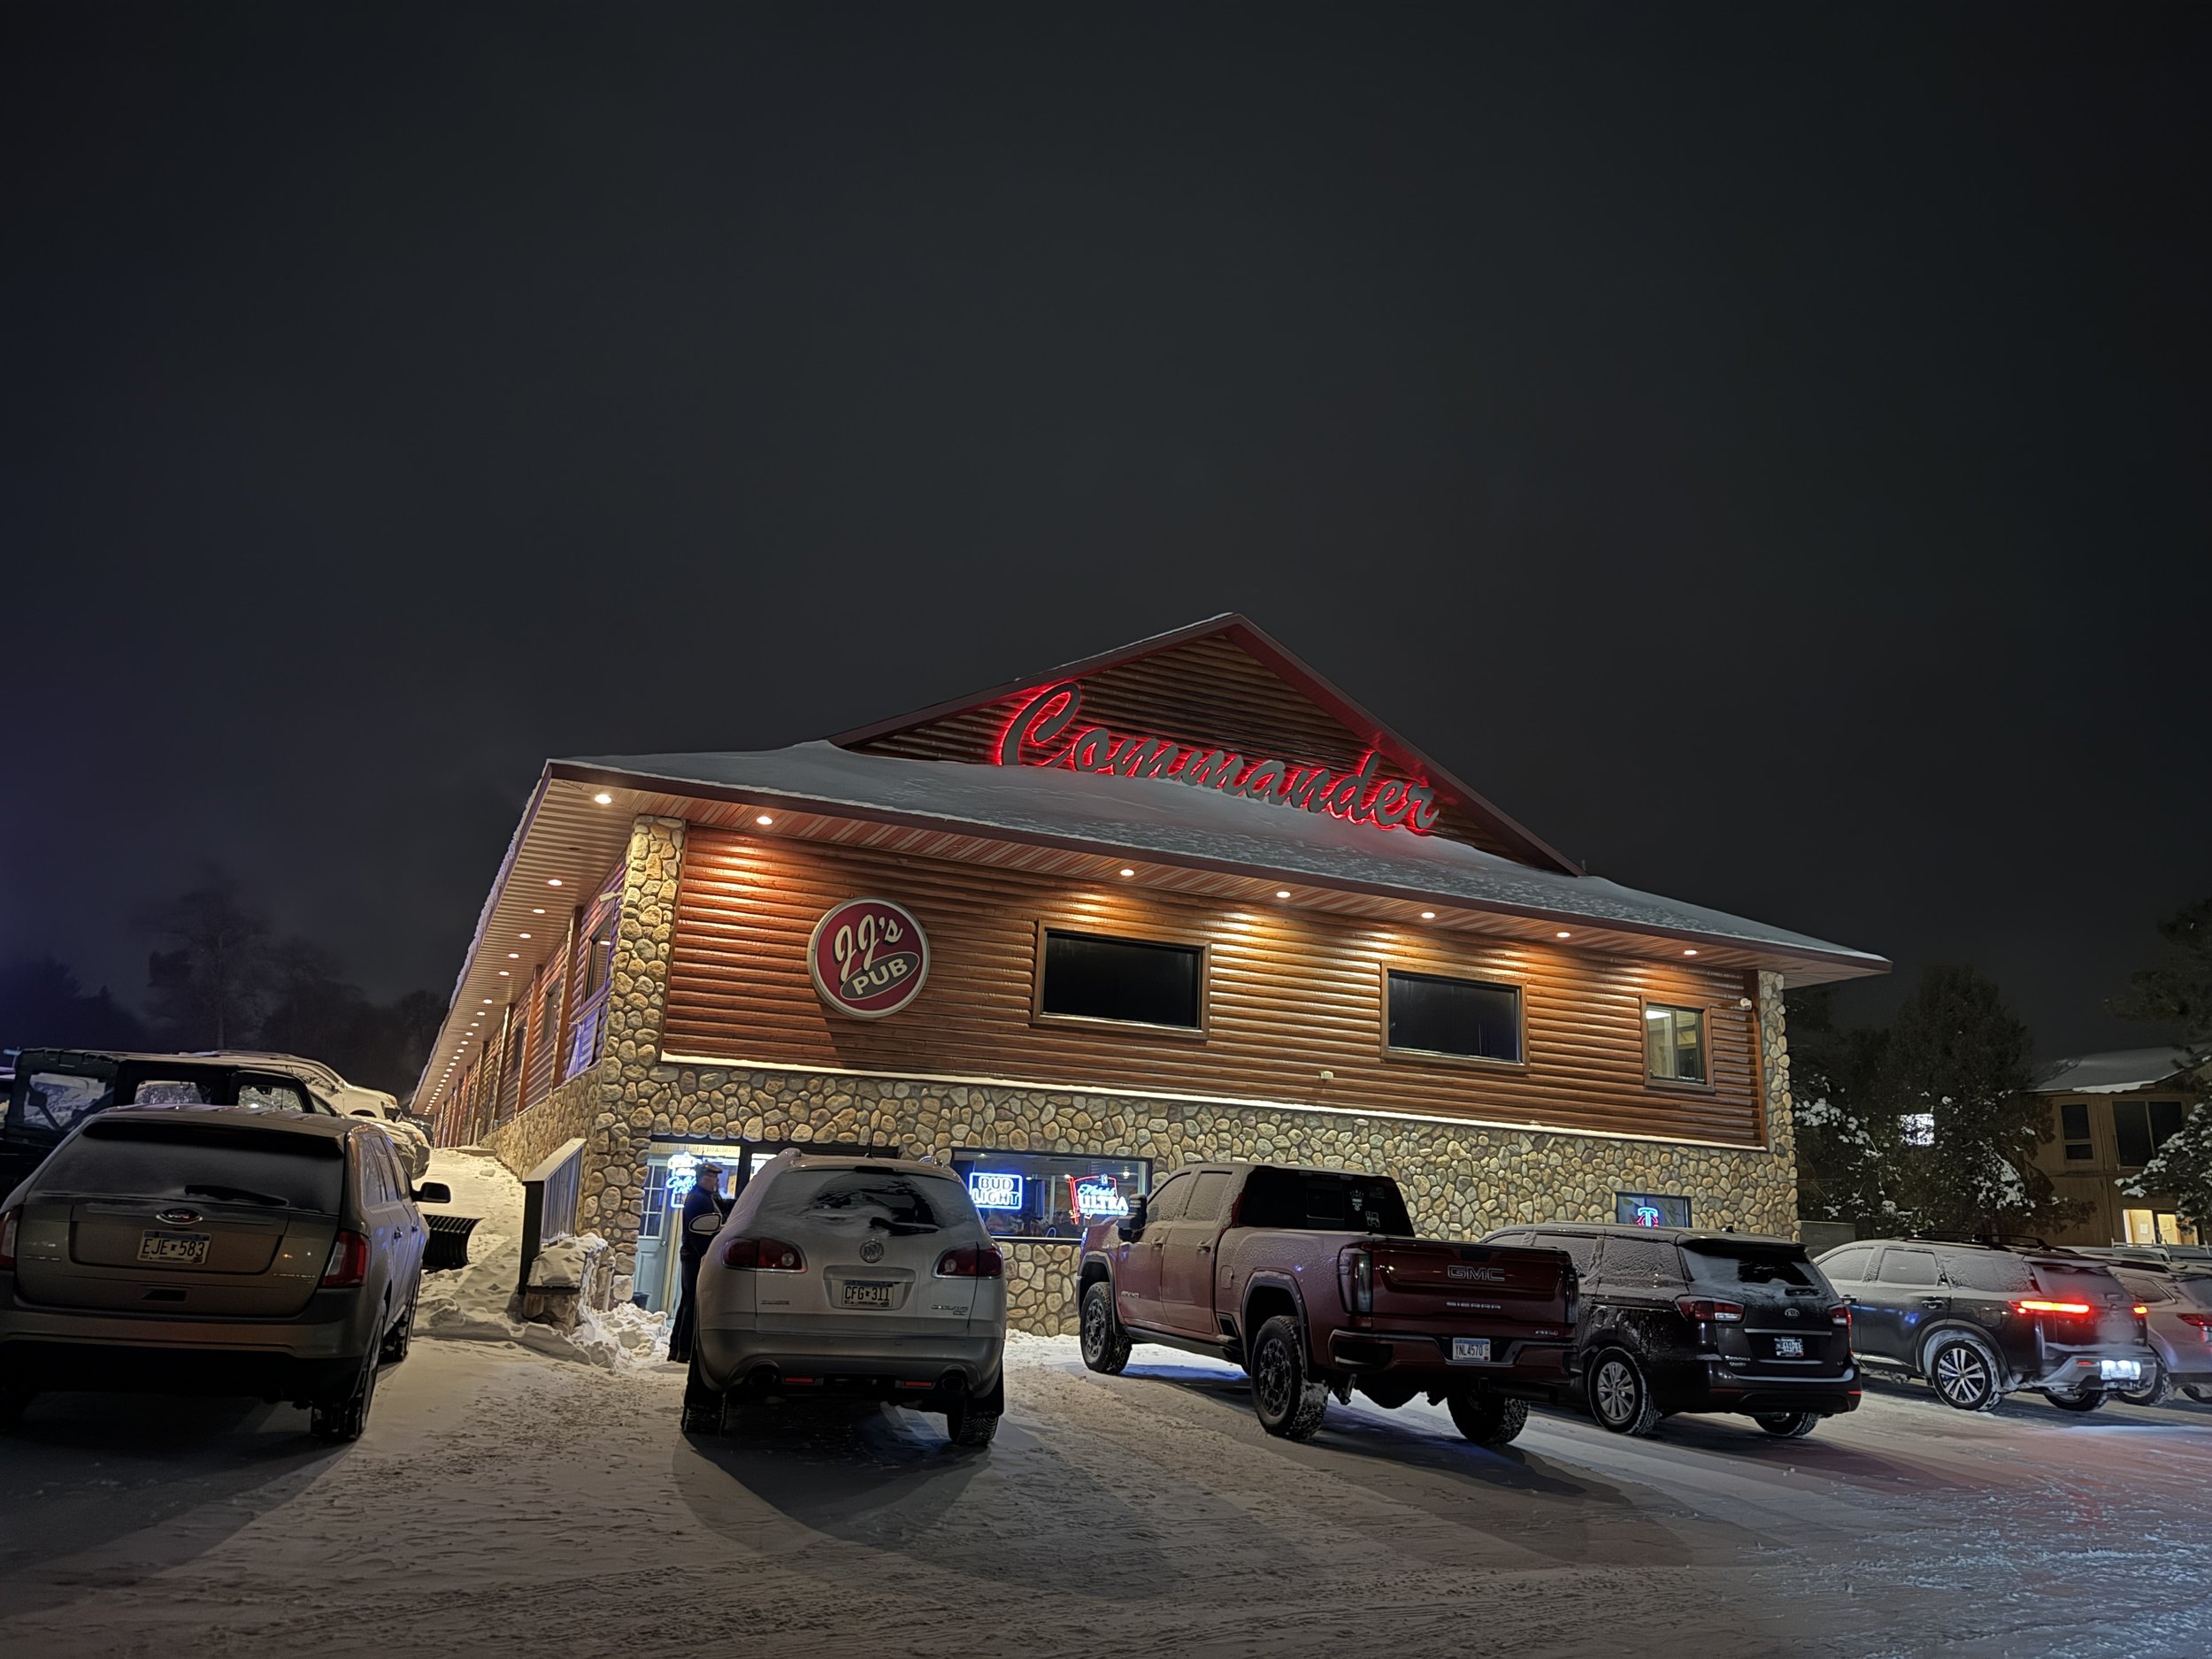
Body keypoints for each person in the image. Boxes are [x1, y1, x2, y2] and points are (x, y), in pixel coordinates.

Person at [666, 1163, 729, 1364]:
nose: (716, 1181)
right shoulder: (698, 1199)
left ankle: (677, 1347)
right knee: (692, 1301)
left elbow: (725, 1207)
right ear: (703, 1178)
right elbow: (698, 1233)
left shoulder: (709, 1197)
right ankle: (684, 1348)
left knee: (688, 1300)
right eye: (712, 1177)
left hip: (693, 1255)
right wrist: (705, 1255)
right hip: (694, 1256)